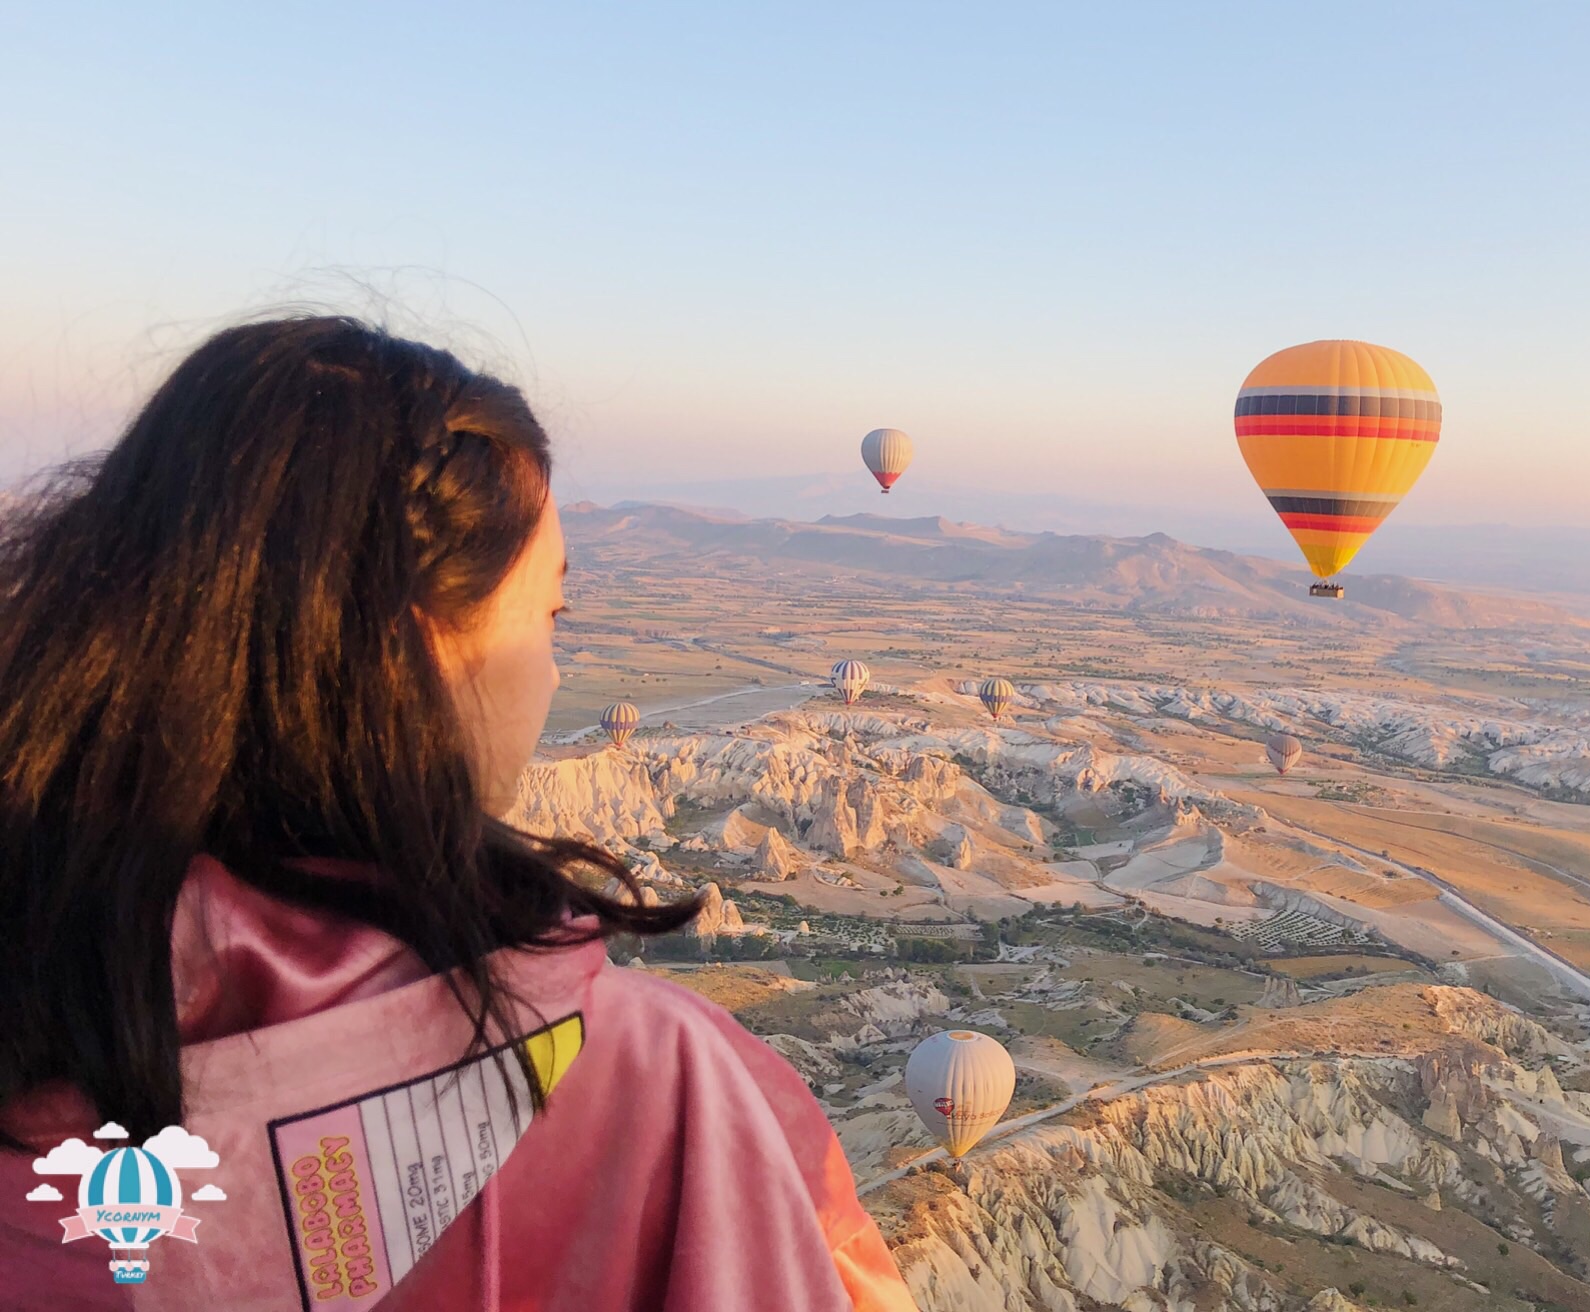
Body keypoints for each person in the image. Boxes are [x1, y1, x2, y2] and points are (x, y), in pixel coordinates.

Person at [0, 317, 917, 1311]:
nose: (557, 663)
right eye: (550, 615)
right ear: (416, 650)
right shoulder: (652, 1088)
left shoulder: (43, 979)